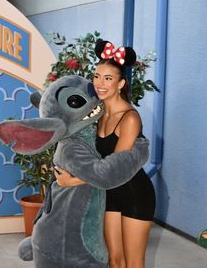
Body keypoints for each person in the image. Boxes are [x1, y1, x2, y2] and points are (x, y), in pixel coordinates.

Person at [54, 41, 156, 268]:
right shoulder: (95, 113)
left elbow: (115, 168)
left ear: (120, 83)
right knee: (113, 260)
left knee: (133, 262)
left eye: (108, 78)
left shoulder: (129, 117)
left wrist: (74, 181)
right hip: (108, 193)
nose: (100, 83)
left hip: (134, 194)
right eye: (97, 76)